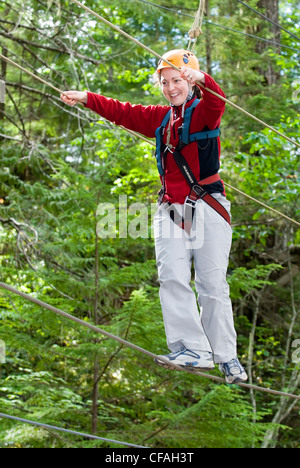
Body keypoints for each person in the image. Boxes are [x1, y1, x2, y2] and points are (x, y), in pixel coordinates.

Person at [61, 49, 248, 384]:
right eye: (165, 82)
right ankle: (192, 349)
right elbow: (124, 112)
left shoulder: (203, 112)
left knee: (212, 285)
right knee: (173, 278)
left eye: (176, 80)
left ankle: (226, 357)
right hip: (172, 209)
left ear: (188, 82)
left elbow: (218, 100)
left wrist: (202, 79)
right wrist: (87, 98)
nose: (171, 87)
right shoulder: (161, 119)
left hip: (207, 205)